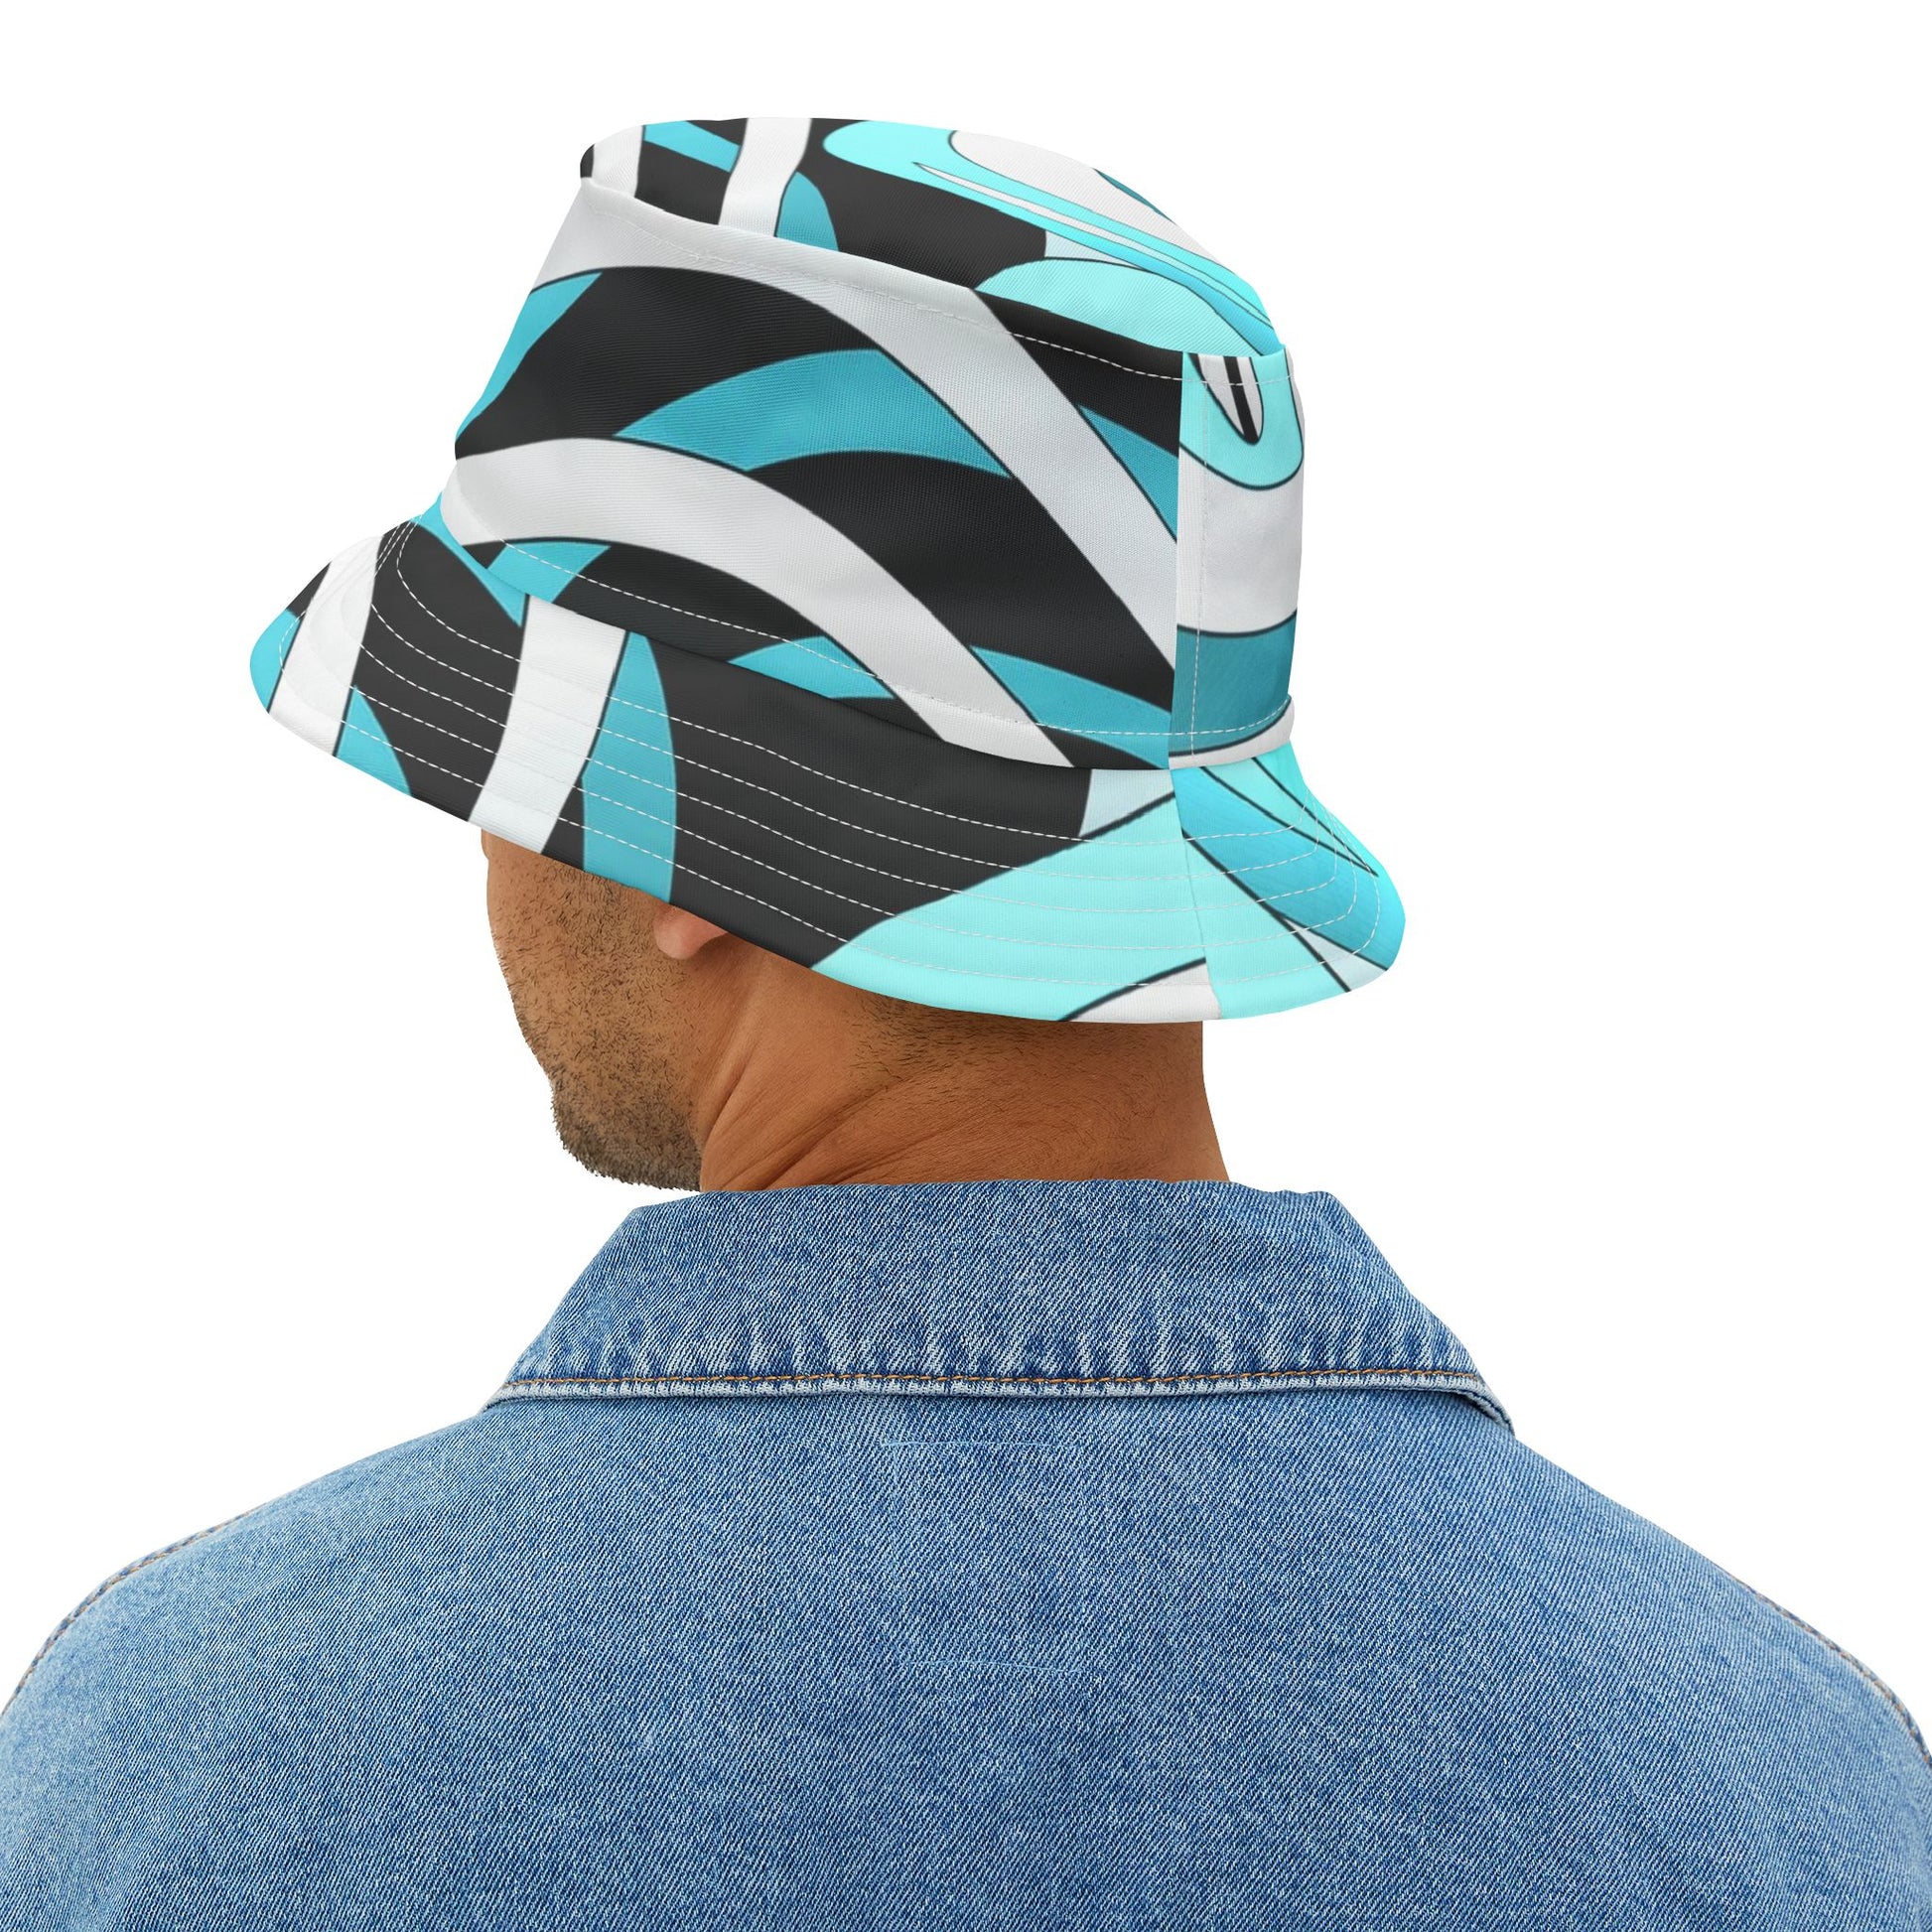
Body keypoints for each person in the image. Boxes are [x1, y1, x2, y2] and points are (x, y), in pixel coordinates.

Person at [2, 116, 1924, 1930]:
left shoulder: (169, 1767)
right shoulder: (1790, 1791)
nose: (493, 858)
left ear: (705, 834)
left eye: (510, 767)